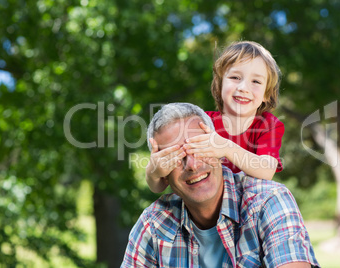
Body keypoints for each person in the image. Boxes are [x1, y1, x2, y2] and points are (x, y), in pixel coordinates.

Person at [121, 103, 320, 268]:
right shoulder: (154, 225)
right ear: (162, 173)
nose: (193, 165)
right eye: (175, 158)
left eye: (200, 147)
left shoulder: (268, 202)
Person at [146, 41, 285, 193]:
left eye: (256, 81)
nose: (243, 88)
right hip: (205, 202)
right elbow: (159, 187)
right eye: (235, 77)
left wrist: (226, 148)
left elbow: (266, 171)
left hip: (249, 204)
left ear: (266, 94)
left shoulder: (268, 125)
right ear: (219, 85)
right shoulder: (201, 123)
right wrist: (153, 172)